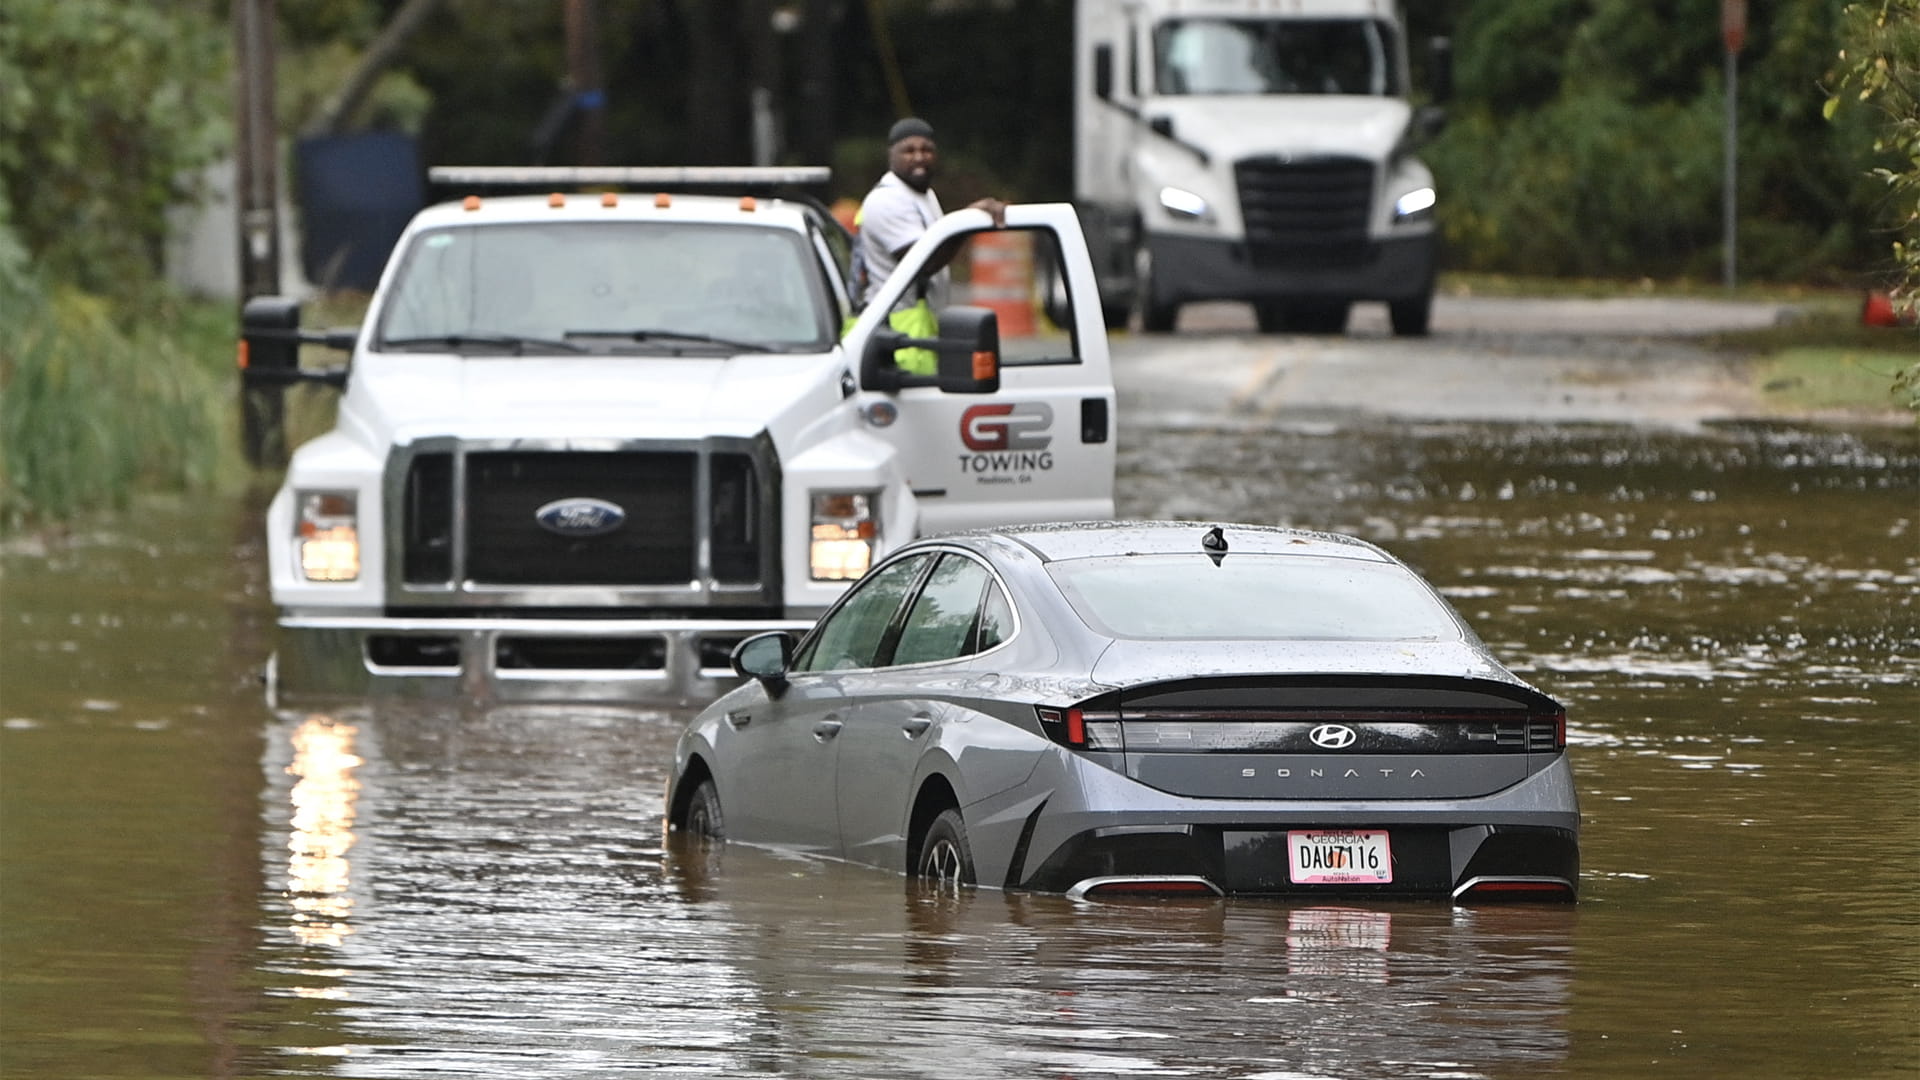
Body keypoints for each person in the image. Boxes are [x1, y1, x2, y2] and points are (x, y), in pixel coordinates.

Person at [855, 117, 1007, 374]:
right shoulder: (887, 200)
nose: (919, 157)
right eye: (908, 150)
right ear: (891, 155)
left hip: (921, 325)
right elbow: (924, 262)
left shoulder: (923, 194)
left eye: (926, 150)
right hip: (897, 331)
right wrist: (965, 222)